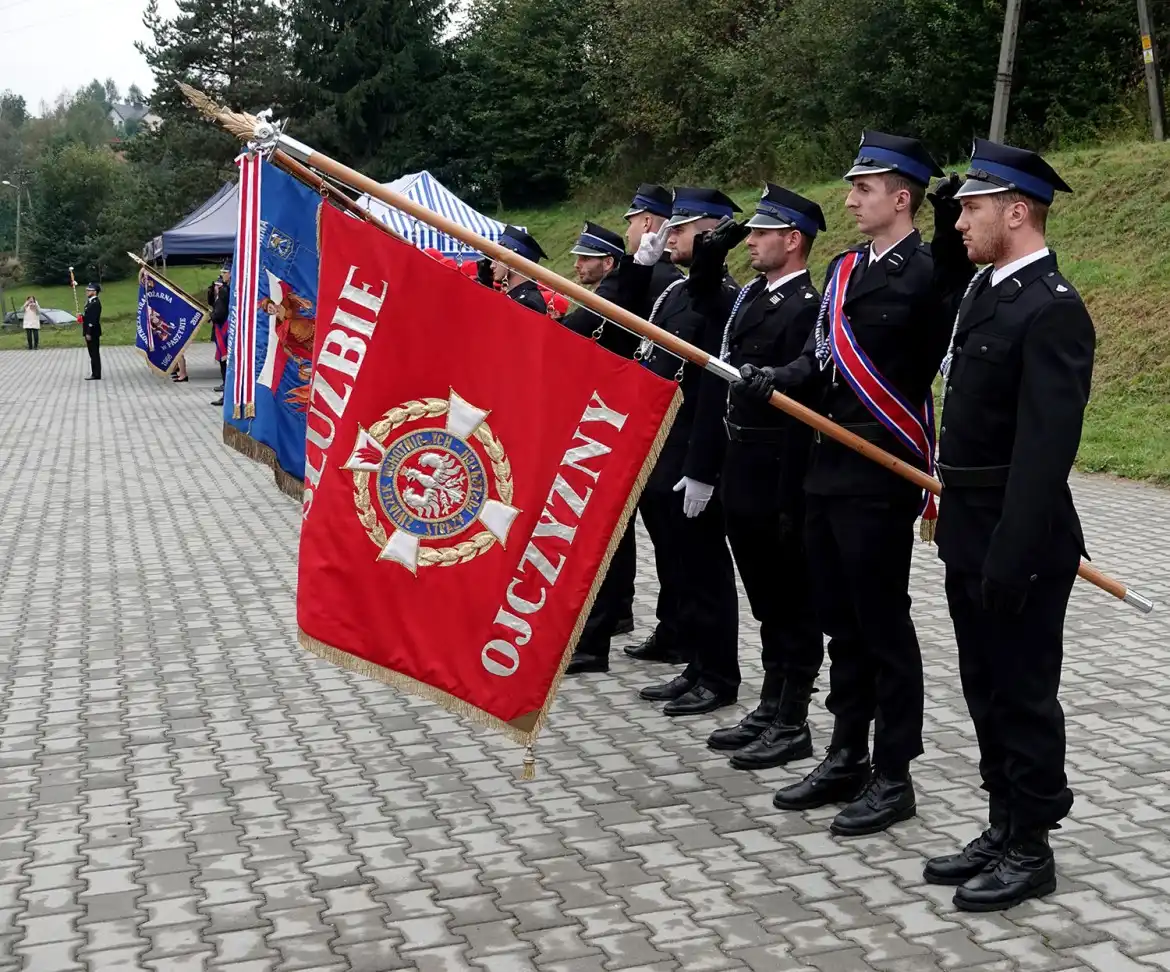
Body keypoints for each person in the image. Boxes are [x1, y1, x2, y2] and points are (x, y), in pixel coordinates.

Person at [736, 131, 973, 834]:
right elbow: (816, 366)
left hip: (879, 470)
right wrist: (773, 382)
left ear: (902, 198)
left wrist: (954, 238)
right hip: (824, 471)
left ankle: (893, 771)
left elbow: (950, 309)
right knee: (839, 623)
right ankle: (844, 751)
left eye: (863, 189)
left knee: (881, 626)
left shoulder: (928, 272)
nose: (849, 199)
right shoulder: (841, 272)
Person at [922, 140, 1090, 912]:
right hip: (970, 525)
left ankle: (1033, 847)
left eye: (972, 208)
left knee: (1023, 693)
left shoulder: (1052, 308)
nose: (959, 220)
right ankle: (1001, 822)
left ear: (1016, 211)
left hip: (1017, 538)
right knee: (984, 689)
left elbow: (1045, 450)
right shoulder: (986, 293)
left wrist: (1011, 555)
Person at [701, 184, 827, 770]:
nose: (751, 241)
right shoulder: (752, 293)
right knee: (765, 598)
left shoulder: (807, 303)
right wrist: (712, 248)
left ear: (792, 240)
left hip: (780, 467)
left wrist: (773, 375)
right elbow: (706, 299)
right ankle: (771, 701)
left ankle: (793, 715)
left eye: (760, 233)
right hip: (742, 462)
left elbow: (811, 369)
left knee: (790, 596)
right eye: (748, 232)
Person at [620, 187, 745, 716]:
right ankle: (696, 659)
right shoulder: (673, 292)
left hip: (693, 441)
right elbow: (623, 320)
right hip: (662, 438)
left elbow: (712, 385)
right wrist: (635, 265)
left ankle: (718, 672)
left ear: (712, 232)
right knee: (681, 564)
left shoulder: (719, 294)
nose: (668, 236)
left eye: (683, 228)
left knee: (706, 567)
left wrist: (701, 465)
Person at [559, 221, 640, 675]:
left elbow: (572, 331)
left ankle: (600, 630)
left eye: (586, 258)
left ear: (608, 263)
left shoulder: (609, 298)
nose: (577, 265)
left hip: (606, 421)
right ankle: (614, 614)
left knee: (606, 531)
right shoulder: (608, 293)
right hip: (603, 419)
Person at [620, 183, 684, 657]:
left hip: (676, 431)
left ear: (647, 224)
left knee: (679, 548)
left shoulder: (668, 278)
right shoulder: (657, 274)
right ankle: (672, 627)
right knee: (667, 545)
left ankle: (681, 632)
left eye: (632, 220)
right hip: (657, 424)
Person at [477, 225, 548, 313]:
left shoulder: (527, 303)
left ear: (513, 262)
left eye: (498, 259)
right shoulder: (519, 297)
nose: (492, 266)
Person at [210, 267, 231, 406]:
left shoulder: (225, 291)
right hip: (225, 330)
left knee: (226, 365)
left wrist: (212, 316)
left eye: (224, 272)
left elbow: (220, 313)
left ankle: (227, 395)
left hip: (225, 331)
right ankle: (227, 392)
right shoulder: (225, 290)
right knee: (225, 364)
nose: (222, 275)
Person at [82, 282, 103, 380]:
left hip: (92, 331)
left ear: (94, 292)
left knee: (94, 353)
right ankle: (94, 372)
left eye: (89, 290)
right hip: (89, 330)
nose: (87, 292)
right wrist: (81, 317)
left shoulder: (95, 303)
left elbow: (93, 320)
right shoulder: (90, 302)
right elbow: (88, 317)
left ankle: (96, 374)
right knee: (92, 353)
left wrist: (88, 332)